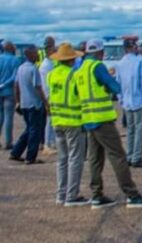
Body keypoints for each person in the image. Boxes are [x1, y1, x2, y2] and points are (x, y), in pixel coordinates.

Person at [75, 39, 142, 208]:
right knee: (118, 156)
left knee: (95, 158)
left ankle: (97, 194)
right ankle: (131, 194)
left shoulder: (80, 69)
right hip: (102, 119)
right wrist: (110, 88)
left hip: (88, 119)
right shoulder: (97, 67)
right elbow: (114, 86)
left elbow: (77, 92)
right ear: (100, 53)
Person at [48, 43, 91, 206]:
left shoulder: (52, 75)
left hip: (57, 120)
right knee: (75, 159)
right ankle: (72, 195)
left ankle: (61, 194)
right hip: (73, 121)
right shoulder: (74, 75)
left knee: (62, 159)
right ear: (72, 59)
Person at [116, 39, 142, 168]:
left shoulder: (120, 63)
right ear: (131, 48)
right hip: (138, 100)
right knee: (139, 129)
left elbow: (118, 83)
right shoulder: (139, 61)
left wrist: (121, 99)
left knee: (131, 130)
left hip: (126, 101)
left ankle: (130, 155)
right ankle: (136, 157)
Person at [9, 46, 48, 164]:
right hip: (35, 104)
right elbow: (38, 87)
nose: (37, 56)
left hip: (25, 104)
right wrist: (45, 102)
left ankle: (16, 152)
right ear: (30, 55)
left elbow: (16, 86)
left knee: (29, 129)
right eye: (36, 54)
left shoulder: (20, 68)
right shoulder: (33, 69)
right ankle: (31, 157)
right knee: (35, 131)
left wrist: (18, 101)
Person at [39, 38, 58, 153]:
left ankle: (51, 142)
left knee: (52, 121)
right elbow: (46, 84)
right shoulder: (46, 65)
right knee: (50, 121)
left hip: (51, 95)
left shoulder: (50, 63)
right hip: (49, 95)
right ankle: (48, 144)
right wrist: (48, 99)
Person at [0, 41, 20, 149]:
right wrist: (4, 84)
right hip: (8, 91)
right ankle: (8, 142)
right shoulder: (15, 60)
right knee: (8, 117)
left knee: (0, 116)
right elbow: (14, 77)